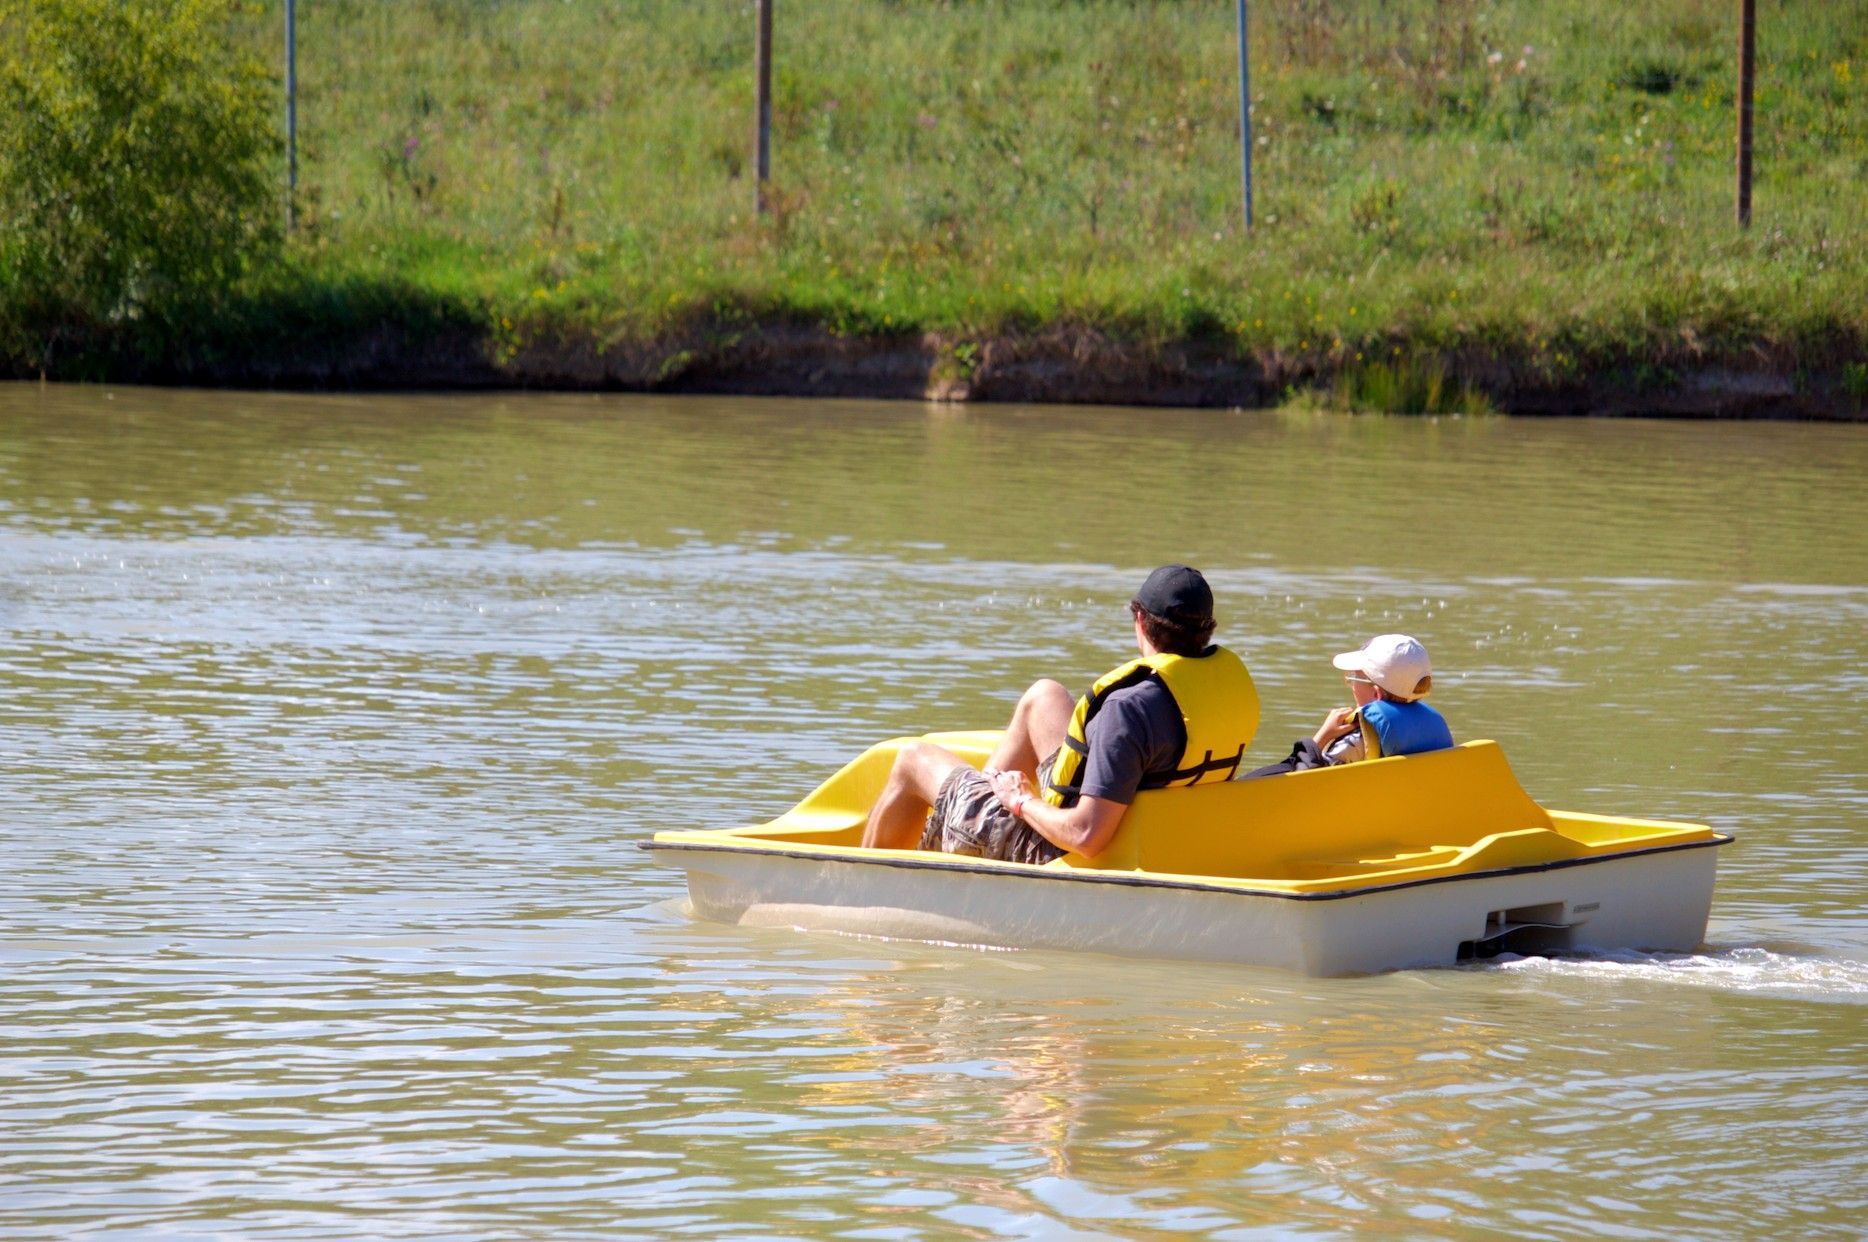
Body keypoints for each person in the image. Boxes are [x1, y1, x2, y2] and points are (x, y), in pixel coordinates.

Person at [860, 565, 1260, 864]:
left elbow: (1086, 836)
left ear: (1140, 621)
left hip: (1057, 847)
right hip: (1148, 827)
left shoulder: (1127, 710)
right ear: (1206, 631)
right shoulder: (1219, 692)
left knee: (913, 759)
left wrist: (1020, 803)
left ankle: (866, 884)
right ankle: (967, 833)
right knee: (1044, 696)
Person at [1245, 633, 1454, 777]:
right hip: (1401, 816)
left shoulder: (1358, 739)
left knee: (1255, 778)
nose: (1351, 683)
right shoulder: (1432, 727)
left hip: (1353, 823)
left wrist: (1321, 738)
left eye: (1354, 677)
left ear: (1376, 693)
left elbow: (1301, 783)